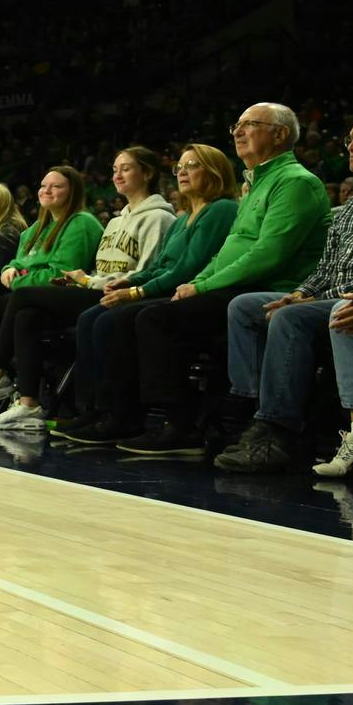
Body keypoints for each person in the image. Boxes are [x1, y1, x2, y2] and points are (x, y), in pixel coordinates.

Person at [116, 102, 329, 456]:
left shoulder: (294, 182)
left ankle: (180, 424)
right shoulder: (256, 183)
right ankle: (137, 415)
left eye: (250, 125)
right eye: (237, 126)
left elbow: (267, 256)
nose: (238, 132)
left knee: (153, 318)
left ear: (280, 134)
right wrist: (197, 283)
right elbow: (228, 251)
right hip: (233, 288)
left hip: (267, 290)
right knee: (136, 316)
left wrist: (200, 286)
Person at [0, 152, 171, 428]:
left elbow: (61, 273)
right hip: (72, 290)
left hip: (86, 292)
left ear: (73, 191)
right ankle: (27, 404)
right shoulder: (60, 226)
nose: (47, 190)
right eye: (44, 185)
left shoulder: (85, 223)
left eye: (56, 186)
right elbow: (18, 262)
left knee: (9, 299)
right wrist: (14, 269)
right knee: (15, 310)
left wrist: (20, 276)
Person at [217, 108, 353, 474]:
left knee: (304, 317)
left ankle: (279, 431)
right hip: (333, 296)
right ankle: (252, 413)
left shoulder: (299, 183)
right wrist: (302, 292)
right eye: (349, 138)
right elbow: (326, 269)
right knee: (245, 307)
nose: (351, 145)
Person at [57, 144, 241, 445]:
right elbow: (158, 266)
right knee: (92, 317)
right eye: (179, 166)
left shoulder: (221, 209)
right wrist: (129, 284)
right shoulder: (183, 219)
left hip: (193, 295)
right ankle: (95, 410)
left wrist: (137, 291)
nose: (182, 171)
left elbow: (187, 269)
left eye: (192, 165)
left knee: (116, 320)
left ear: (214, 171)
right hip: (169, 289)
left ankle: (128, 416)